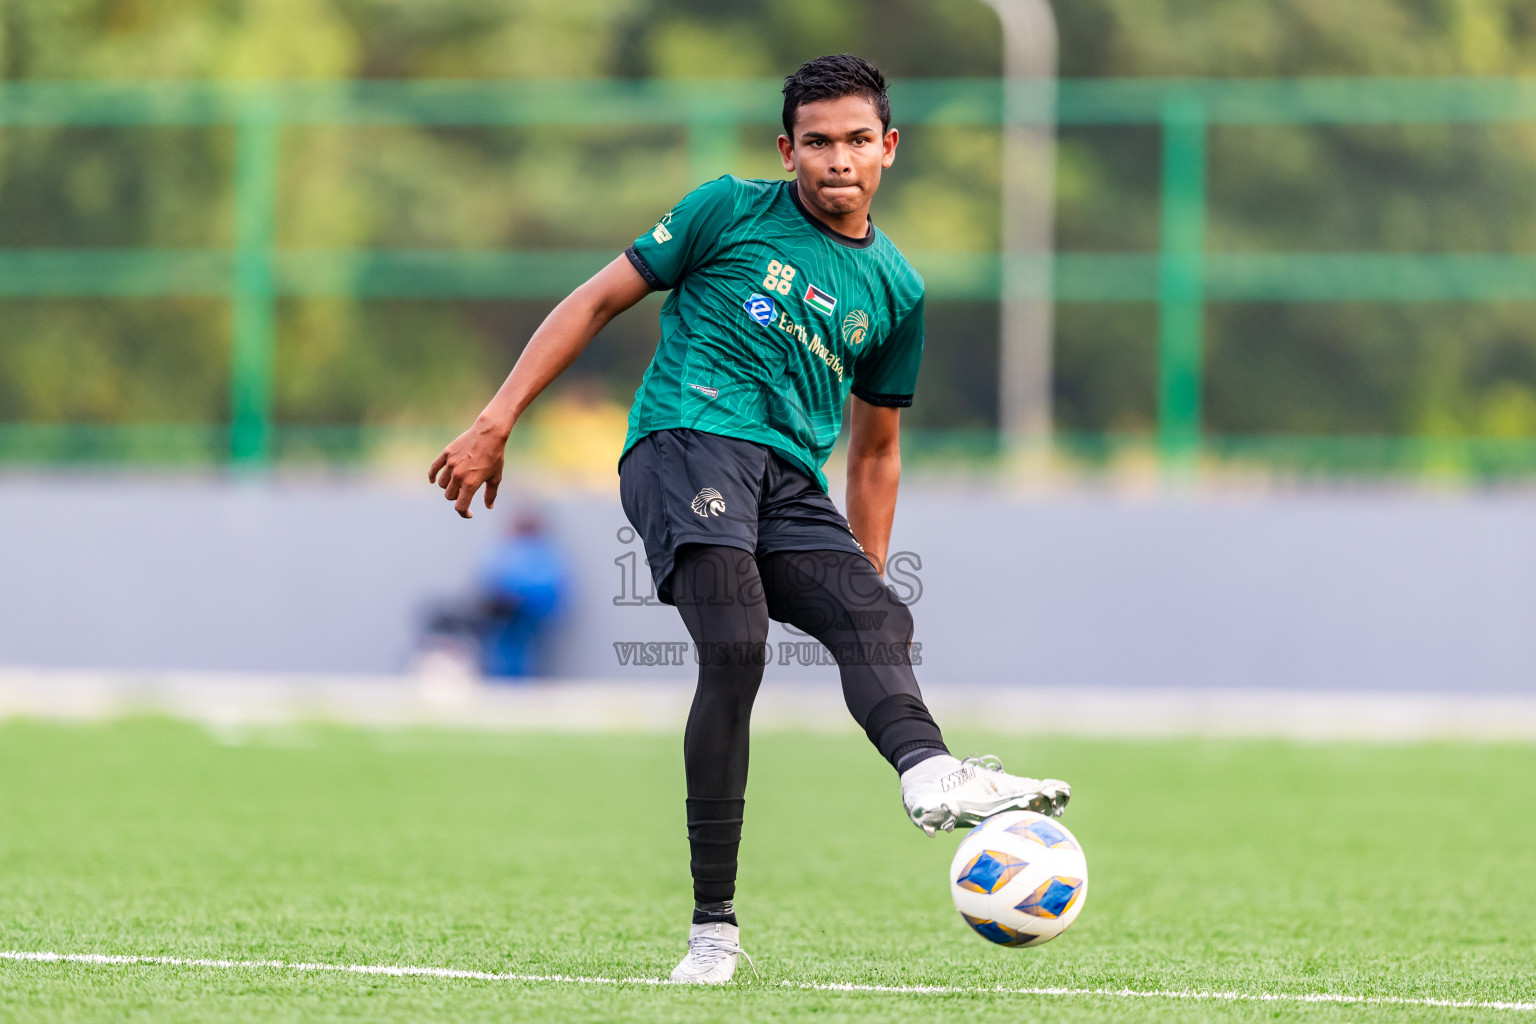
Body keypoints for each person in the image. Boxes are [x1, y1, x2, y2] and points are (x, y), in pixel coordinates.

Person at [429, 54, 1071, 984]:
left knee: (878, 617)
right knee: (734, 648)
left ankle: (929, 771)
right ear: (788, 150)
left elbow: (878, 449)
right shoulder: (726, 208)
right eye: (817, 143)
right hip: (683, 440)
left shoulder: (897, 289)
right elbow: (597, 299)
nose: (837, 159)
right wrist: (497, 421)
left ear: (889, 148)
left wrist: (865, 575)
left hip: (788, 480)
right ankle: (713, 930)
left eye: (857, 140)